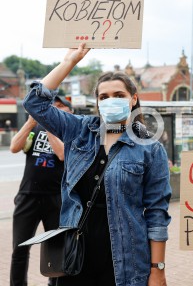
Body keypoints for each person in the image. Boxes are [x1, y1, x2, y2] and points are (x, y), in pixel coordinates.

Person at [22, 43, 171, 286]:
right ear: (98, 102)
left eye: (119, 95)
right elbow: (34, 104)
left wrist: (158, 270)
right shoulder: (78, 130)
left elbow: (157, 214)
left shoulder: (150, 149)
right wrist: (69, 62)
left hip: (126, 259)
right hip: (75, 256)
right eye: (104, 97)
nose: (110, 100)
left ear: (133, 99)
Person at [9, 96, 72, 286]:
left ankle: (54, 284)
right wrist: (30, 122)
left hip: (55, 198)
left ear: (70, 112)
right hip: (28, 196)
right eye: (54, 107)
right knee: (19, 248)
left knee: (55, 248)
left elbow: (62, 154)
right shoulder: (33, 129)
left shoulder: (70, 132)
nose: (57, 109)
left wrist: (49, 126)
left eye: (62, 107)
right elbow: (14, 147)